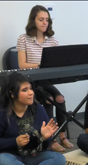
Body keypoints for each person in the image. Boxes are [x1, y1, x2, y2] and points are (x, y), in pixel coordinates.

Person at [0, 72, 73, 165]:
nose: (31, 93)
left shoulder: (38, 109)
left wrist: (45, 138)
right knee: (2, 160)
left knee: (59, 158)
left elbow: (44, 145)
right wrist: (14, 142)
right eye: (25, 90)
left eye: (31, 89)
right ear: (13, 94)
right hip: (9, 156)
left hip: (31, 154)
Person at [17, 5, 73, 152]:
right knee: (49, 99)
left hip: (46, 81)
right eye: (41, 19)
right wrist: (41, 65)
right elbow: (22, 65)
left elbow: (56, 64)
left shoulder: (52, 41)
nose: (44, 23)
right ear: (33, 21)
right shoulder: (24, 39)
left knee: (60, 98)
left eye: (47, 20)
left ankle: (62, 135)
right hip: (32, 82)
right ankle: (51, 139)